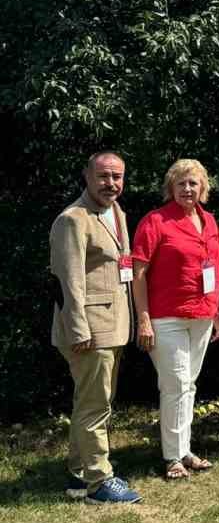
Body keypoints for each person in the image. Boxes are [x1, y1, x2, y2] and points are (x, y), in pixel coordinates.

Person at [49, 151, 141, 505]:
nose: (111, 184)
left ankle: (78, 471)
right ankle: (99, 482)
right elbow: (67, 281)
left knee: (91, 402)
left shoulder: (116, 213)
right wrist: (79, 331)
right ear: (87, 176)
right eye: (103, 176)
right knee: (95, 406)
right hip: (89, 332)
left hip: (113, 324)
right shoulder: (73, 219)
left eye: (117, 176)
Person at [132, 159, 219, 480]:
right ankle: (172, 456)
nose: (188, 189)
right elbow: (138, 274)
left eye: (193, 183)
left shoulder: (209, 221)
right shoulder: (155, 221)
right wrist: (143, 318)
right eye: (181, 183)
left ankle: (184, 450)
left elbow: (214, 267)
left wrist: (215, 313)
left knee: (189, 385)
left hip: (201, 315)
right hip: (165, 316)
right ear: (171, 187)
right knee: (175, 385)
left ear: (203, 188)